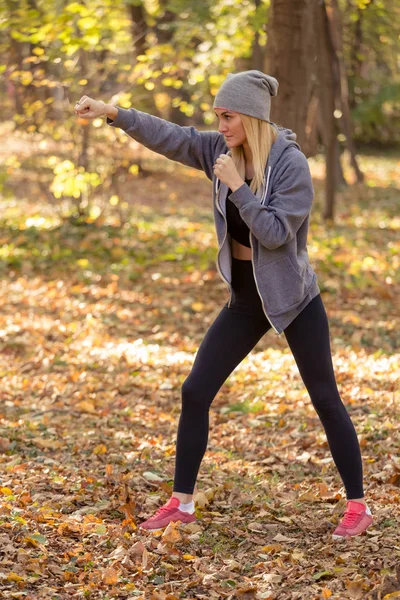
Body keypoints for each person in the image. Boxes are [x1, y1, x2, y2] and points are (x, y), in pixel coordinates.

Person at [74, 70, 373, 539]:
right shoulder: (219, 150)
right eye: (217, 115)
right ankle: (182, 503)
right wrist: (114, 113)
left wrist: (239, 187)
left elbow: (275, 234)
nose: (221, 124)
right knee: (195, 390)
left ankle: (358, 505)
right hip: (246, 299)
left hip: (294, 298)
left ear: (252, 117)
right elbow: (172, 138)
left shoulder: (291, 165)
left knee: (325, 399)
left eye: (227, 116)